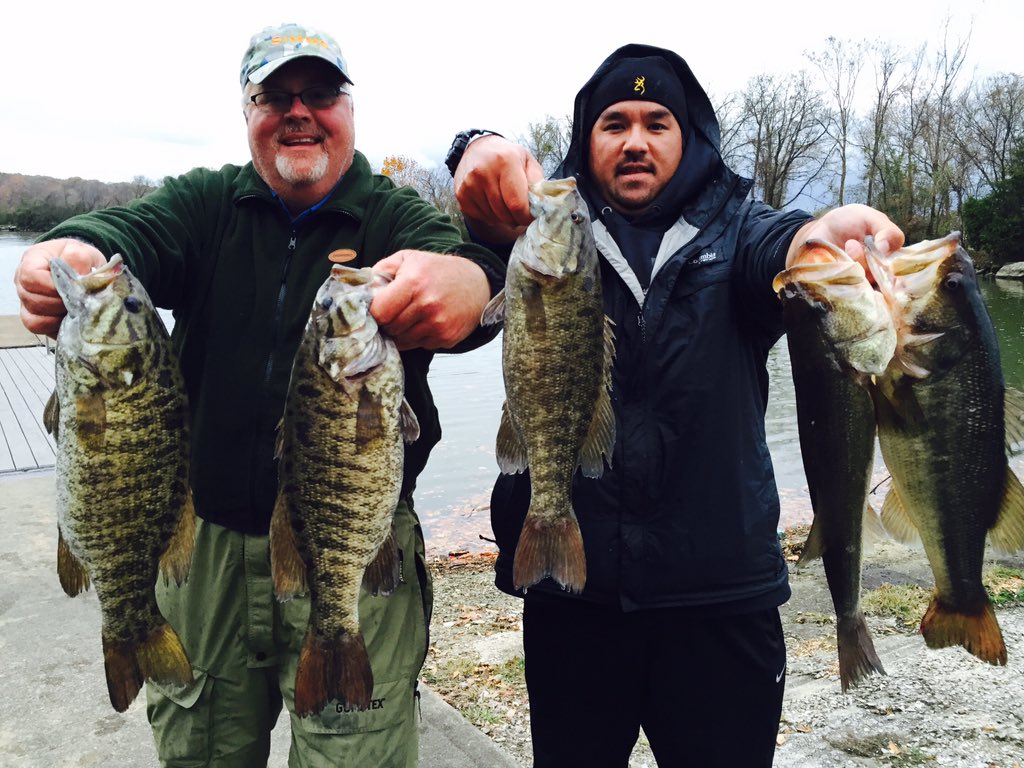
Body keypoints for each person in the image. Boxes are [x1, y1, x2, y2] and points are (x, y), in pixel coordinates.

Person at [14, 22, 505, 768]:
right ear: (247, 112)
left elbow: (465, 268)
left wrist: (471, 280)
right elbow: (128, 232)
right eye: (275, 96)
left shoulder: (392, 215)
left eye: (320, 93)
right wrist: (72, 248)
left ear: (349, 109)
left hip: (352, 538)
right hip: (202, 552)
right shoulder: (207, 203)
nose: (299, 111)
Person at [446, 43, 904, 767]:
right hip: (576, 604)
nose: (635, 140)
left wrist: (818, 241)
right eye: (614, 123)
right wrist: (472, 145)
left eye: (657, 122)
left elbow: (785, 246)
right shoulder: (545, 234)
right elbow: (473, 243)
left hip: (720, 602)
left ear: (689, 138)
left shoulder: (741, 229)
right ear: (585, 140)